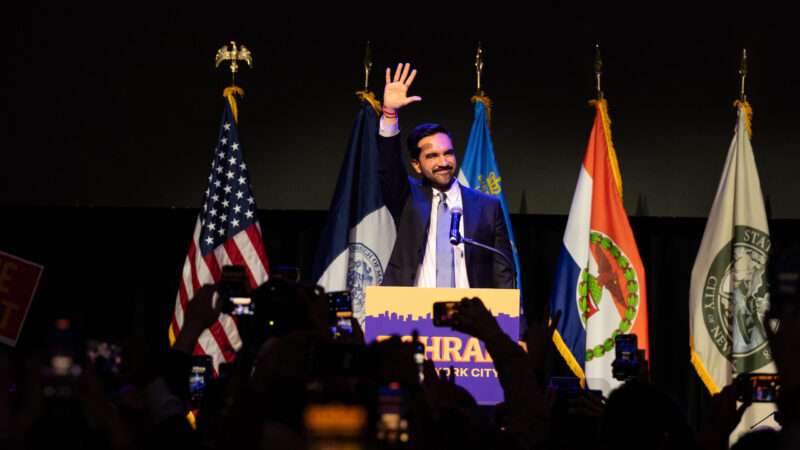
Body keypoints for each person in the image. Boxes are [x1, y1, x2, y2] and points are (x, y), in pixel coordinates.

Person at [378, 62, 514, 289]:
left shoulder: (487, 207)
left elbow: (503, 273)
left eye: (448, 153)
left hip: (469, 315)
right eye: (432, 156)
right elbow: (388, 167)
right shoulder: (407, 197)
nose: (443, 162)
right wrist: (390, 115)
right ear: (417, 165)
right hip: (409, 312)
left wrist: (508, 321)